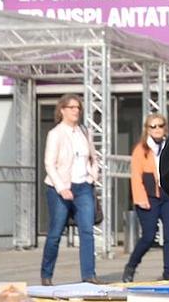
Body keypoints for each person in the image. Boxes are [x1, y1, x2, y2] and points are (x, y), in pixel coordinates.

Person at [40, 93, 100, 286]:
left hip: (83, 186)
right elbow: (49, 164)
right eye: (72, 107)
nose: (76, 111)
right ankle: (46, 275)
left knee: (87, 231)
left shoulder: (84, 131)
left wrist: (93, 176)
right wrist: (61, 188)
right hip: (61, 187)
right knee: (56, 232)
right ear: (62, 110)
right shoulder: (55, 133)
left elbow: (93, 157)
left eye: (78, 108)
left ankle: (89, 275)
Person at [122, 113, 169, 282]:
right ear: (147, 129)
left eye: (160, 125)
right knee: (149, 236)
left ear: (165, 128)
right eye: (153, 126)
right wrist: (140, 198)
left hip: (168, 195)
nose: (157, 129)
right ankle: (131, 266)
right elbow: (135, 176)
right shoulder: (141, 149)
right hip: (149, 196)